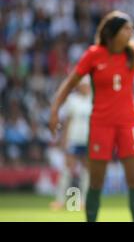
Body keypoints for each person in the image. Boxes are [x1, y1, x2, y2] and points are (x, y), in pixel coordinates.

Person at [49, 10, 134, 222]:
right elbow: (69, 84)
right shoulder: (93, 55)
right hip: (101, 125)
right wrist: (55, 110)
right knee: (96, 181)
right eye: (126, 28)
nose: (131, 32)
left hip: (129, 124)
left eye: (132, 29)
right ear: (112, 33)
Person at [50, 76, 92, 210]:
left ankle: (84, 201)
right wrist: (64, 140)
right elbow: (67, 121)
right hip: (74, 139)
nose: (85, 88)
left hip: (88, 139)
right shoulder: (72, 100)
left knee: (87, 170)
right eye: (83, 85)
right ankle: (60, 200)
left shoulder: (93, 100)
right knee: (67, 169)